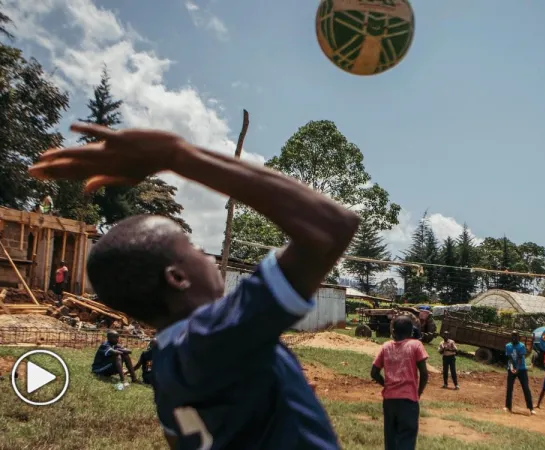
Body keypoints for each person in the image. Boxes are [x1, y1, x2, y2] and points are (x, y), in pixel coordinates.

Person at [28, 123, 360, 449]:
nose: (205, 255)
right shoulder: (214, 333)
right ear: (177, 278)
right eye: (193, 248)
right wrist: (176, 155)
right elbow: (332, 226)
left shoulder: (166, 364)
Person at [371, 315, 430, 450]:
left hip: (389, 401)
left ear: (393, 331)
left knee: (390, 438)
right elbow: (424, 374)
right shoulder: (416, 345)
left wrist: (386, 385)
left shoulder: (386, 346)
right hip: (408, 401)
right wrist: (418, 392)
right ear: (411, 331)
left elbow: (374, 373)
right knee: (406, 439)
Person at [504, 331, 535, 415]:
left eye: (516, 336)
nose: (514, 337)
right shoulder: (508, 346)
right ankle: (507, 406)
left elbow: (520, 358)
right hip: (511, 369)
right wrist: (511, 368)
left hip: (521, 369)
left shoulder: (521, 346)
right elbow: (510, 358)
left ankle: (531, 408)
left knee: (525, 388)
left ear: (518, 337)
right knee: (509, 387)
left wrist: (517, 369)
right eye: (513, 336)